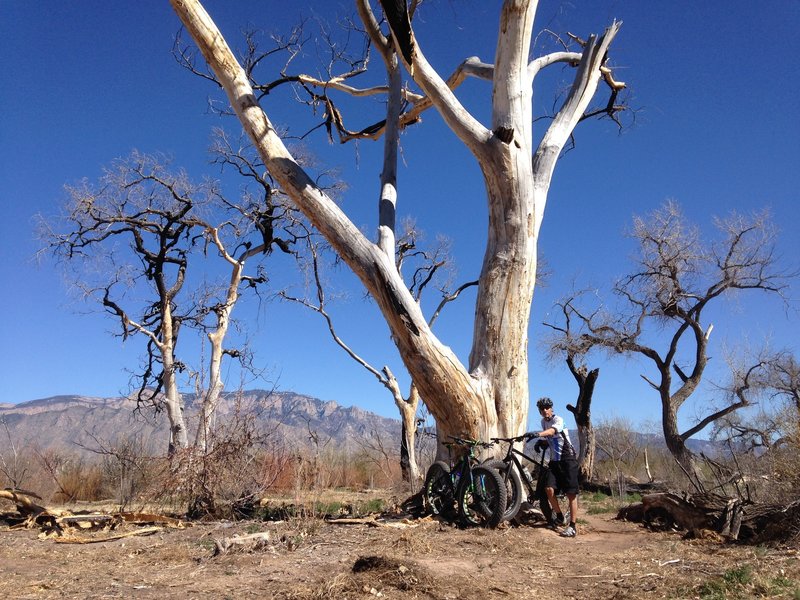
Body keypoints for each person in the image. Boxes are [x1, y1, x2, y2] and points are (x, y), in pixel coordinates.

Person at [532, 397, 580, 537]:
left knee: (571, 494)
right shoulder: (543, 422)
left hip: (567, 459)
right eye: (542, 409)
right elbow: (551, 440)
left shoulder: (558, 420)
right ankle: (559, 516)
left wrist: (537, 435)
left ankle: (572, 526)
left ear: (551, 408)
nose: (545, 411)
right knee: (548, 489)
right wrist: (541, 442)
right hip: (554, 461)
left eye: (547, 408)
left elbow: (553, 432)